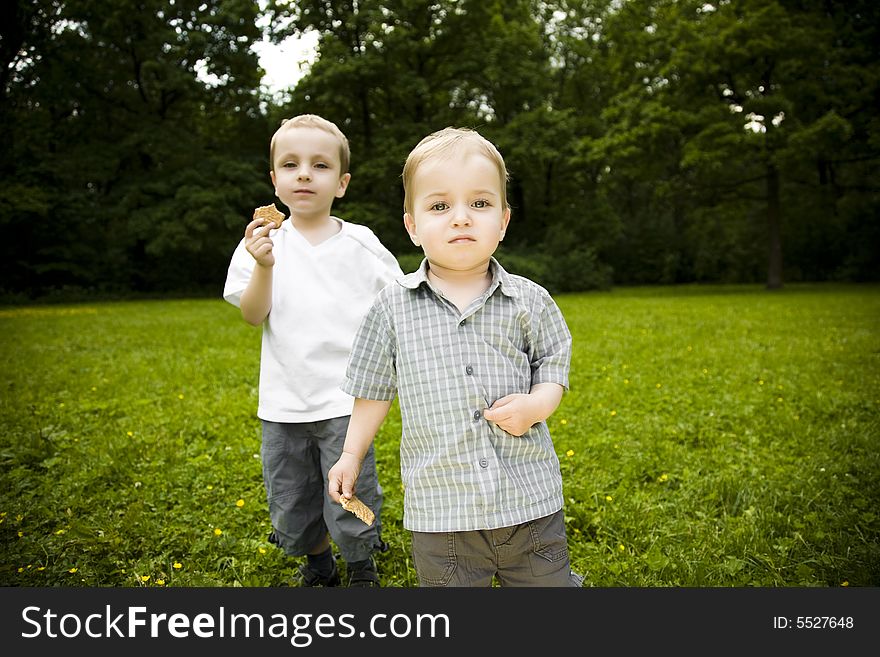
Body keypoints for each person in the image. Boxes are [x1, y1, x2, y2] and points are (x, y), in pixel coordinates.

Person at [328, 127, 582, 586]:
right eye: (440, 206)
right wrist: (350, 454)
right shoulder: (391, 307)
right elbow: (373, 389)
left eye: (480, 204)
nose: (461, 218)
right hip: (442, 511)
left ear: (503, 221)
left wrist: (537, 405)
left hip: (529, 501)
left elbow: (552, 365)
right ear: (412, 225)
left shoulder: (530, 300)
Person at [223, 114, 403, 587]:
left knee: (352, 487)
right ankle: (318, 562)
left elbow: (398, 304)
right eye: (291, 164)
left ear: (341, 183)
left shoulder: (361, 244)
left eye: (320, 165)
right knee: (293, 493)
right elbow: (251, 314)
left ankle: (361, 562)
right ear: (275, 181)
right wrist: (264, 266)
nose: (304, 173)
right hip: (284, 402)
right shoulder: (260, 243)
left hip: (347, 400)